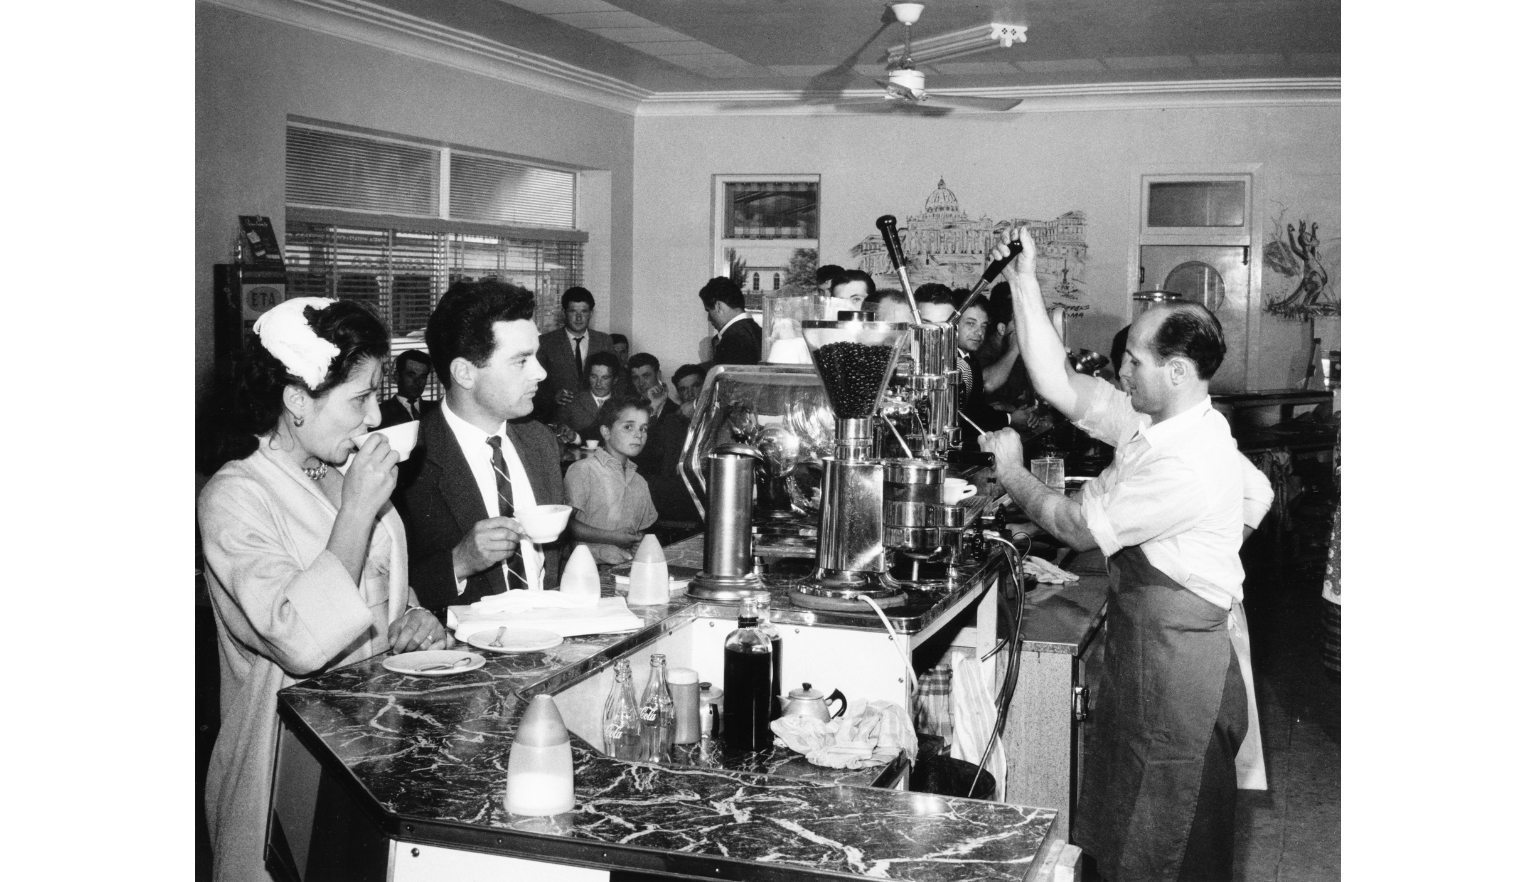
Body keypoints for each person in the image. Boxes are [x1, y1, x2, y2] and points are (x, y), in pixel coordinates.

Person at [978, 227, 1270, 882]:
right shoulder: (1165, 421)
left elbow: (1075, 526)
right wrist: (1025, 278)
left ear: (1175, 372)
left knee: (1171, 845)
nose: (1120, 370)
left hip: (1182, 677)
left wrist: (1014, 470)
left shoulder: (1189, 463)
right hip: (1150, 658)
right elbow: (1055, 380)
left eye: (1133, 360)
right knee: (1123, 825)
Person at [198, 297, 445, 882]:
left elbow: (381, 588)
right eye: (358, 400)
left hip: (372, 757)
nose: (372, 418)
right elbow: (299, 640)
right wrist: (358, 508)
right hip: (283, 778)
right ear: (295, 399)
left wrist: (416, 619)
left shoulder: (339, 471)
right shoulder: (235, 497)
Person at [399, 279, 568, 611]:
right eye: (521, 360)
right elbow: (378, 593)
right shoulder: (407, 462)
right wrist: (458, 563)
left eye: (536, 356)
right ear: (464, 373)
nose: (541, 373)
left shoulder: (541, 442)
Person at [563, 397, 658, 564]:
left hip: (625, 568)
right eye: (628, 427)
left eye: (644, 429)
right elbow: (565, 525)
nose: (639, 435)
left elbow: (641, 530)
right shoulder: (583, 470)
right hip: (586, 570)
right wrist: (611, 538)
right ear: (606, 432)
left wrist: (639, 540)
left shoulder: (640, 482)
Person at [534, 286, 613, 421]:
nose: (578, 318)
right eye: (572, 311)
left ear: (591, 313)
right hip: (559, 417)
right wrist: (553, 396)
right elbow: (535, 383)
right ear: (564, 312)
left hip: (598, 417)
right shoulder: (546, 343)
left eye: (584, 311)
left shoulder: (604, 341)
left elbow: (617, 378)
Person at [557, 350, 623, 441]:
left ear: (615, 379)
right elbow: (559, 429)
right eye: (594, 377)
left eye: (605, 378)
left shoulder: (623, 403)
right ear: (588, 377)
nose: (598, 383)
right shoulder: (572, 401)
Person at [699, 276, 761, 365]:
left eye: (709, 310)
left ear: (719, 306)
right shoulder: (758, 331)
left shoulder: (731, 341)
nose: (709, 318)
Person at [378, 349, 436, 427]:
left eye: (422, 377)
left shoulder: (436, 409)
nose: (417, 382)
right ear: (397, 376)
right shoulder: (381, 413)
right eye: (411, 376)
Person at [629, 353, 678, 422]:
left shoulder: (677, 412)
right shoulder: (628, 409)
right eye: (636, 378)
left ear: (658, 375)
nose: (641, 383)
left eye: (646, 376)